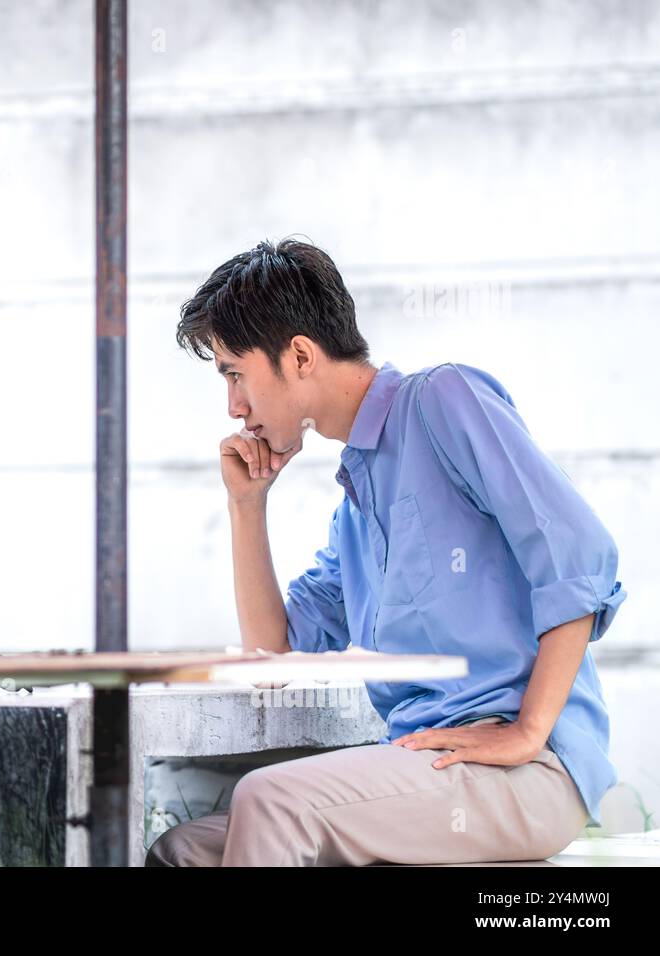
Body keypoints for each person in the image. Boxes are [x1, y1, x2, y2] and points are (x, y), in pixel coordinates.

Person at [147, 239, 626, 866]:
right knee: (186, 850)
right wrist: (247, 506)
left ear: (298, 356)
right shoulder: (356, 507)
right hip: (427, 766)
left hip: (527, 771)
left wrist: (528, 731)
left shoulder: (442, 402)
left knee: (270, 801)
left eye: (235, 373)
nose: (234, 406)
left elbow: (581, 558)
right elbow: (274, 656)